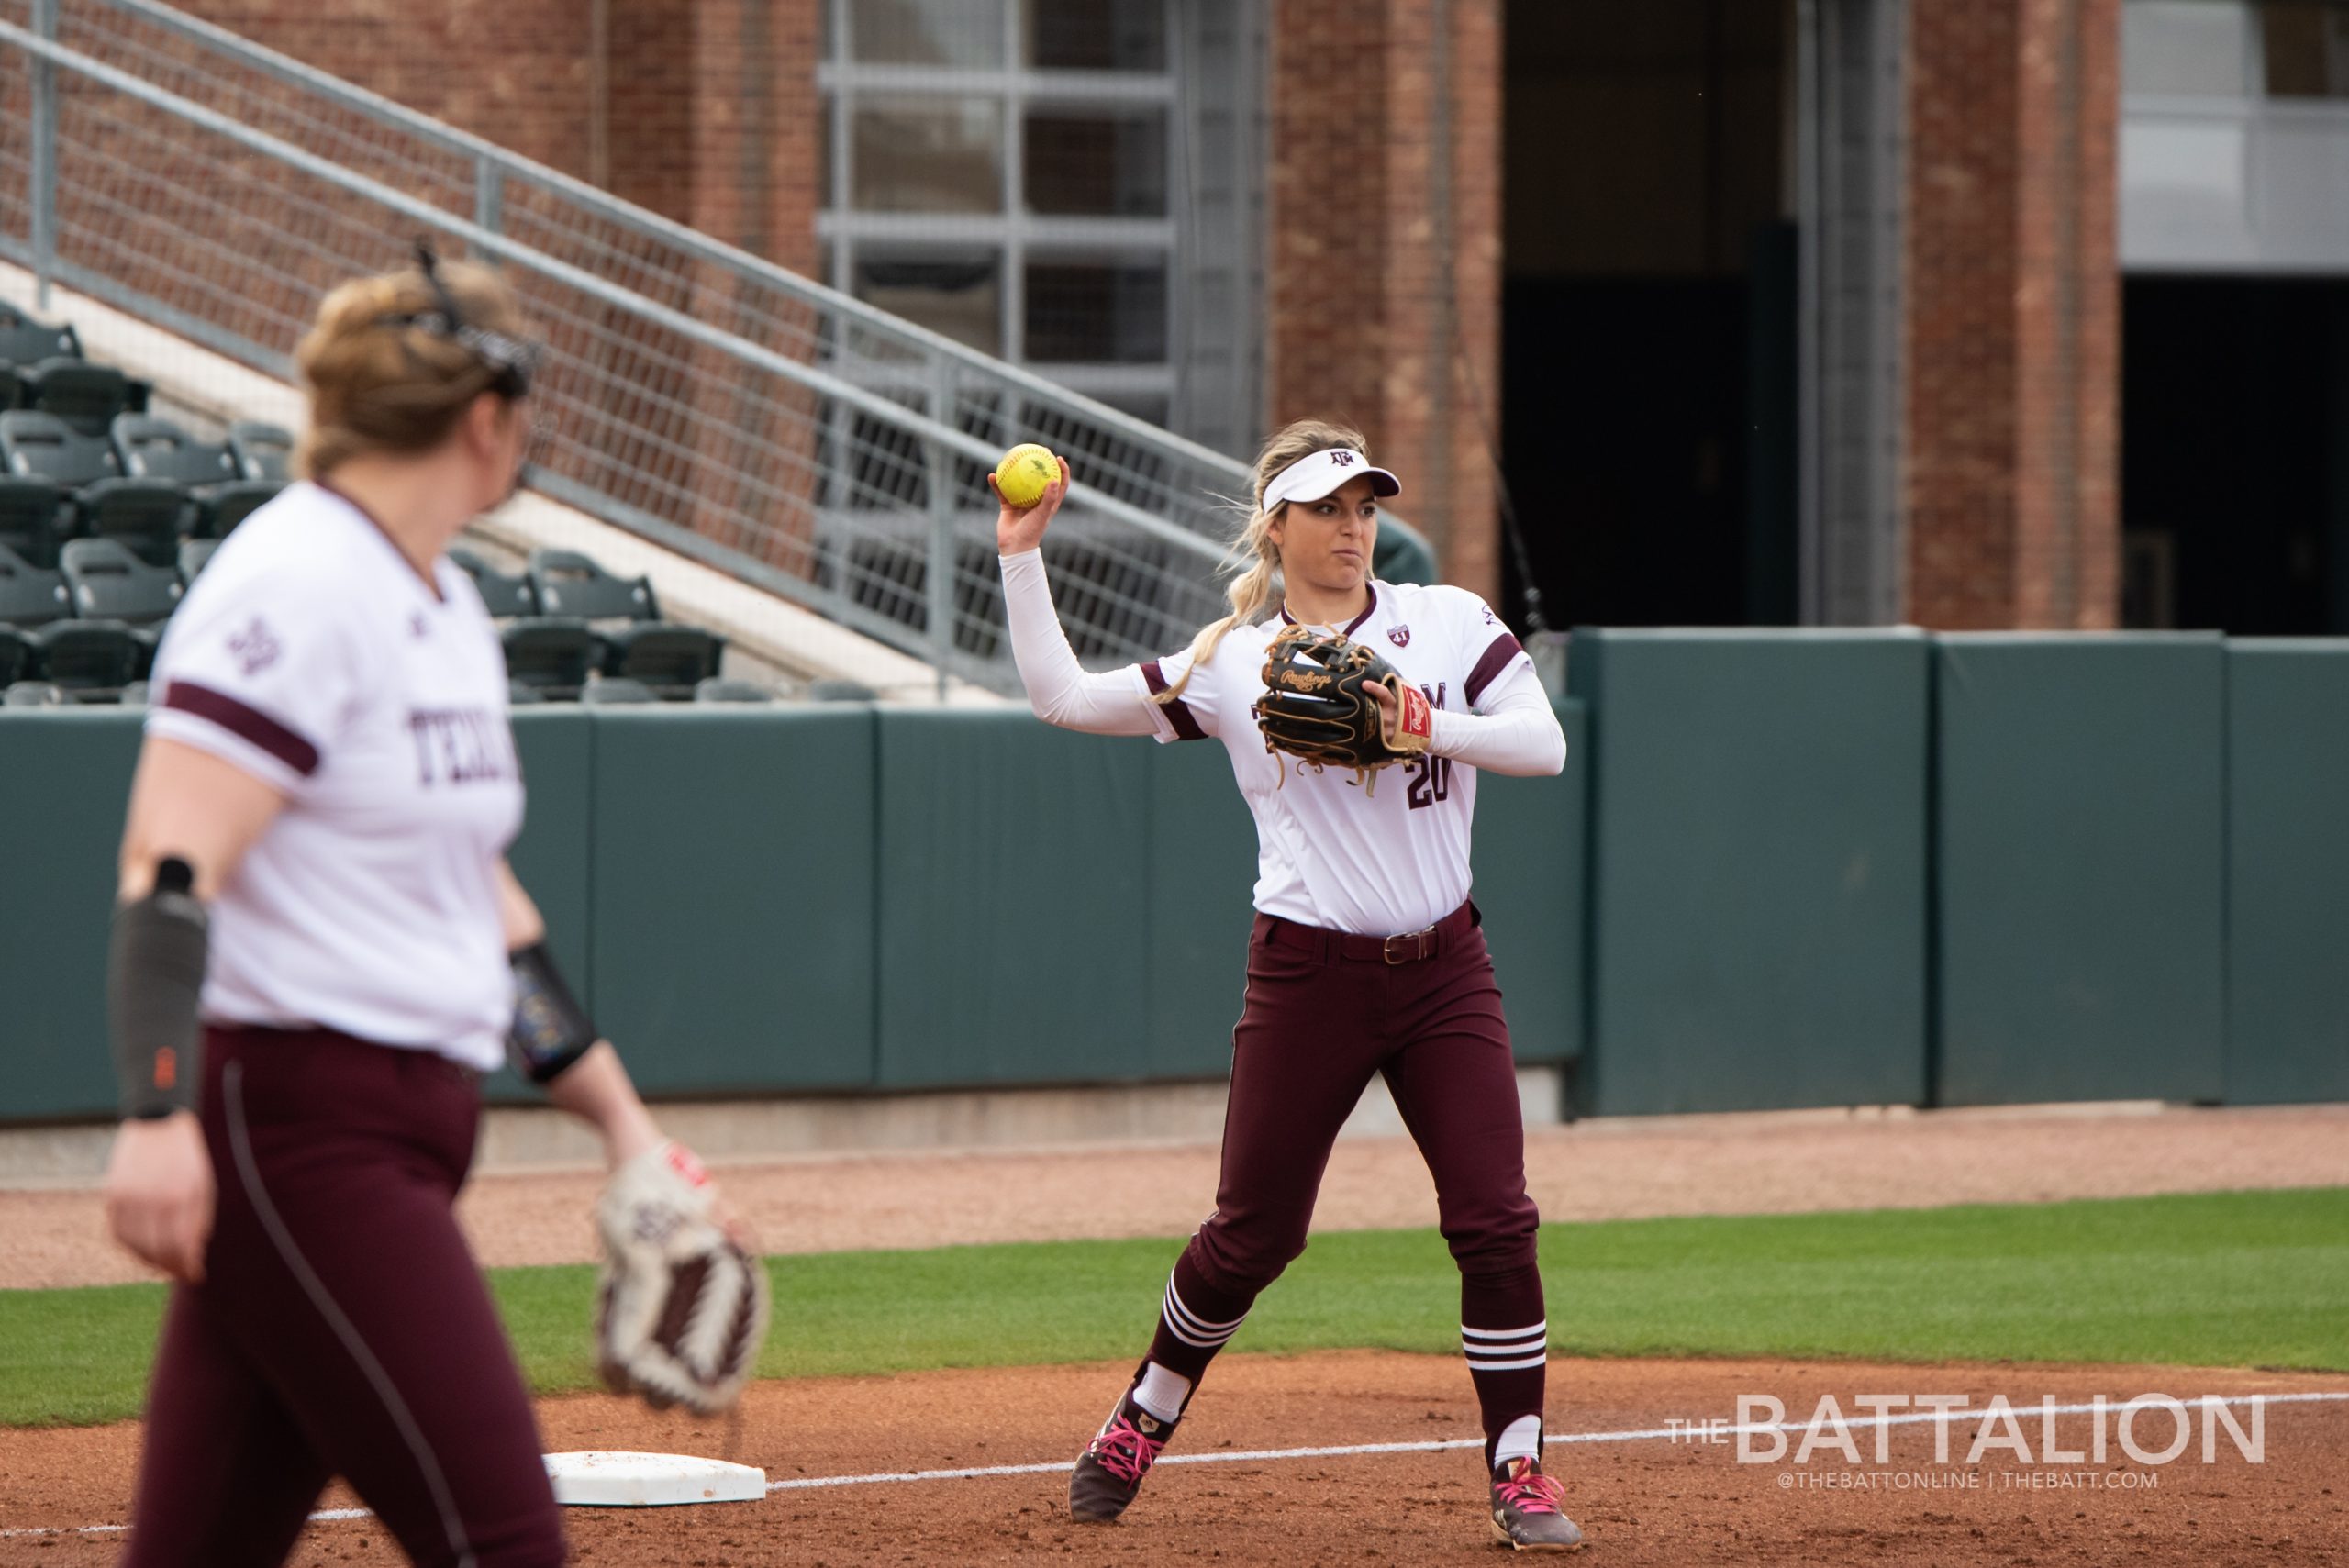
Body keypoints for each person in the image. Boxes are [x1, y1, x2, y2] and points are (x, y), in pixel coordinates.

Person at [100, 251, 740, 1566]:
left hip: (388, 1121)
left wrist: (623, 1128)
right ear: (483, 416)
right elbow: (167, 863)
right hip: (303, 1127)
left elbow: (479, 900)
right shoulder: (297, 578)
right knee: (502, 1539)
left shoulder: (437, 599)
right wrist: (157, 1110)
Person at [993, 420, 1581, 1551]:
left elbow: (1540, 743)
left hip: (1444, 968)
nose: (1353, 527)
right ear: (1277, 523)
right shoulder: (1232, 661)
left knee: (1497, 1219)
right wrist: (1023, 553)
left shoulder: (1446, 622)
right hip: (1306, 973)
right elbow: (1063, 698)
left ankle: (1520, 1472)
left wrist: (1422, 723)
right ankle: (1141, 1416)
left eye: (1364, 506)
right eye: (1328, 507)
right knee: (1251, 1234)